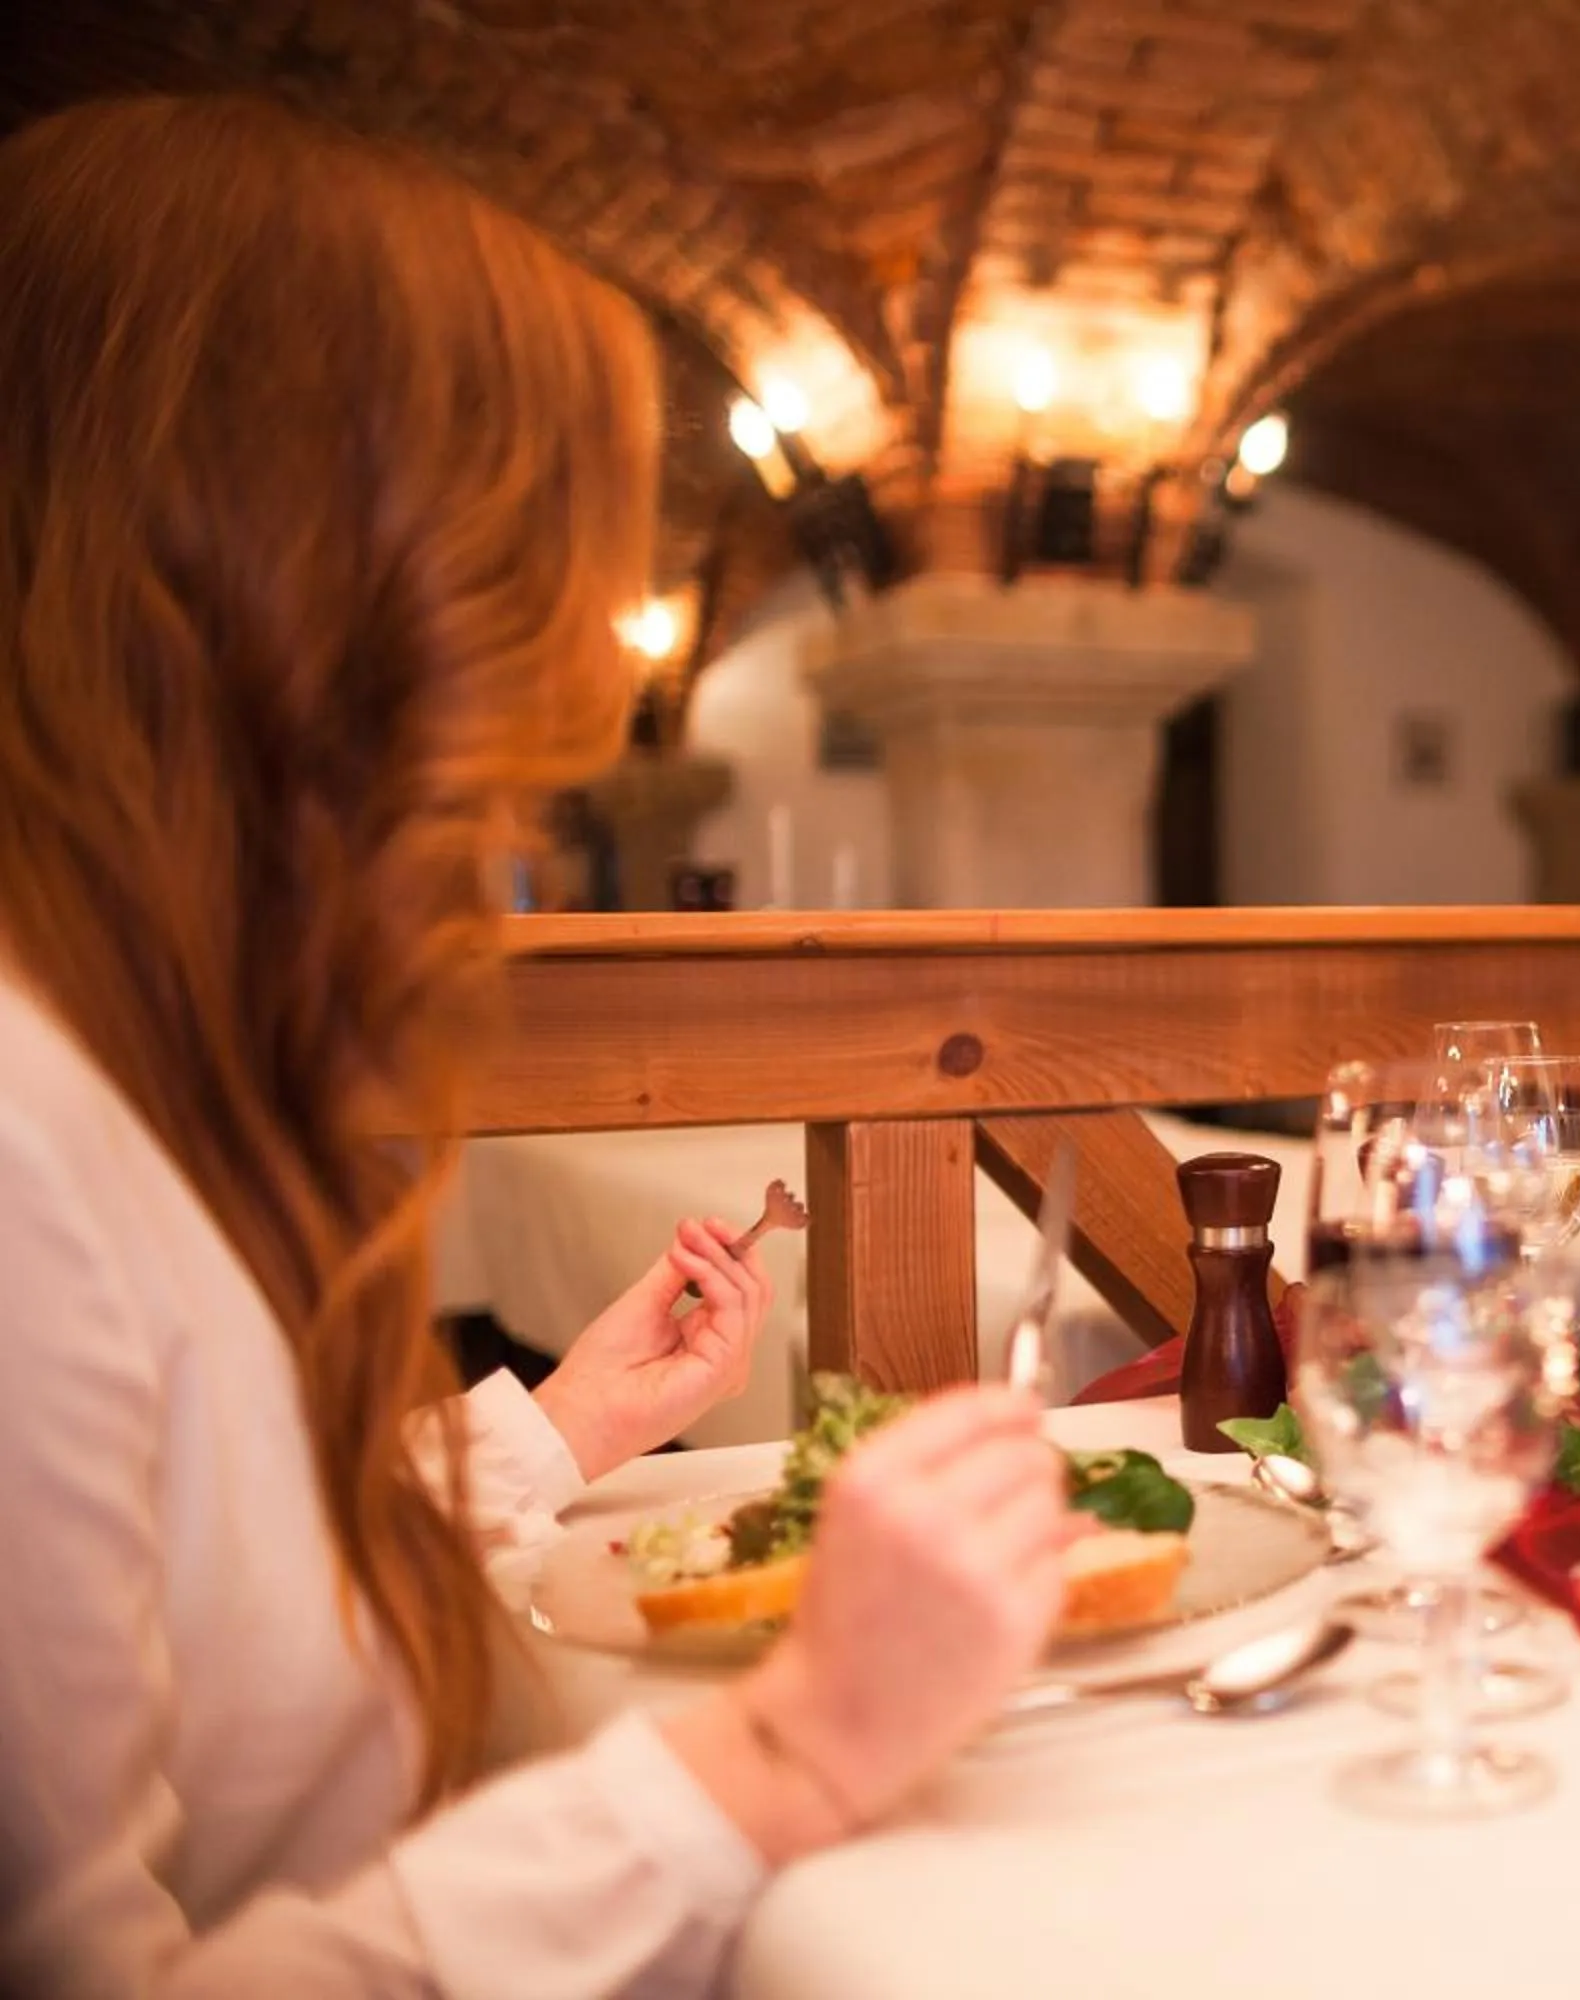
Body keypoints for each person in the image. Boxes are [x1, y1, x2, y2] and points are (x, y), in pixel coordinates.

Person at [0, 98, 1081, 1995]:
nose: (505, 786)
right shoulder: (23, 1142)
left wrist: (563, 1424)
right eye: (504, 579)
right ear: (288, 589)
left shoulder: (131, 1048)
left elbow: (201, 1580)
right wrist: (791, 1746)